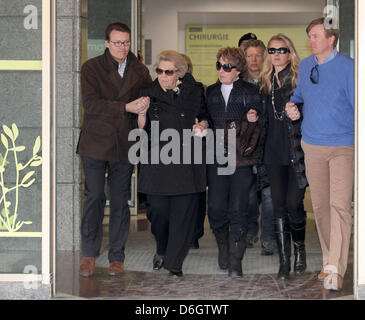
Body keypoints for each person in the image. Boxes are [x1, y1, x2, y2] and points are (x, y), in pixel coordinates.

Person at [77, 22, 152, 277]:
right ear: (107, 43)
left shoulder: (140, 70)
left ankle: (116, 256)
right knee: (95, 196)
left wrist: (143, 106)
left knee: (121, 201)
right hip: (96, 143)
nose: (123, 47)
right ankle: (88, 253)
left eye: (127, 42)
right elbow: (91, 104)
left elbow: (147, 99)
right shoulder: (91, 68)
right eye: (118, 42)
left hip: (125, 142)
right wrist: (125, 108)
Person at [286, 18, 354, 291]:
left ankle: (337, 269)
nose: (311, 41)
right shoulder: (305, 66)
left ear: (331, 39)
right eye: (310, 36)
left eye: (315, 36)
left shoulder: (349, 68)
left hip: (342, 146)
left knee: (339, 207)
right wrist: (293, 105)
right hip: (312, 145)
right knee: (321, 208)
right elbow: (299, 95)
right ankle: (328, 262)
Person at [137, 50, 209, 278]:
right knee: (158, 211)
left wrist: (204, 124)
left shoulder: (195, 91)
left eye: (169, 72)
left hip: (187, 162)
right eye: (159, 71)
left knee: (183, 215)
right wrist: (140, 117)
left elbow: (205, 115)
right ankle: (162, 247)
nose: (163, 76)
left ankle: (174, 263)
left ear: (179, 73)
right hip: (158, 161)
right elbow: (138, 129)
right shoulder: (148, 93)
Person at [206, 47, 261, 278]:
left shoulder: (250, 91)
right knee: (216, 207)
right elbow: (207, 120)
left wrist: (252, 117)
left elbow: (259, 120)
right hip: (216, 157)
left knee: (238, 207)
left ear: (238, 71)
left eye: (227, 66)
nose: (222, 70)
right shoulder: (210, 92)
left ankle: (236, 259)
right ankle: (223, 245)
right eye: (219, 65)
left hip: (242, 159)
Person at [259, 34, 308, 280]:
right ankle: (284, 261)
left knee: (293, 205)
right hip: (272, 153)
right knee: (277, 207)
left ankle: (300, 250)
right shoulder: (266, 82)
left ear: (290, 53)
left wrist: (299, 114)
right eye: (272, 50)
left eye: (282, 50)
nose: (277, 54)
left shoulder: (299, 80)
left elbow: (311, 114)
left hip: (296, 153)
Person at [241, 39, 276, 256]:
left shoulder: (272, 82)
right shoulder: (237, 84)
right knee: (249, 195)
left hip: (270, 146)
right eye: (249, 55)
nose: (254, 60)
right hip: (246, 148)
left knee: (270, 195)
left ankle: (268, 237)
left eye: (258, 55)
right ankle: (250, 231)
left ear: (264, 57)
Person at [181, 53, 207, 250]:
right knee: (194, 191)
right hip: (187, 148)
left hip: (190, 146)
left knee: (193, 191)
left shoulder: (197, 89)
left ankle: (190, 233)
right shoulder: (199, 88)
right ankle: (192, 235)